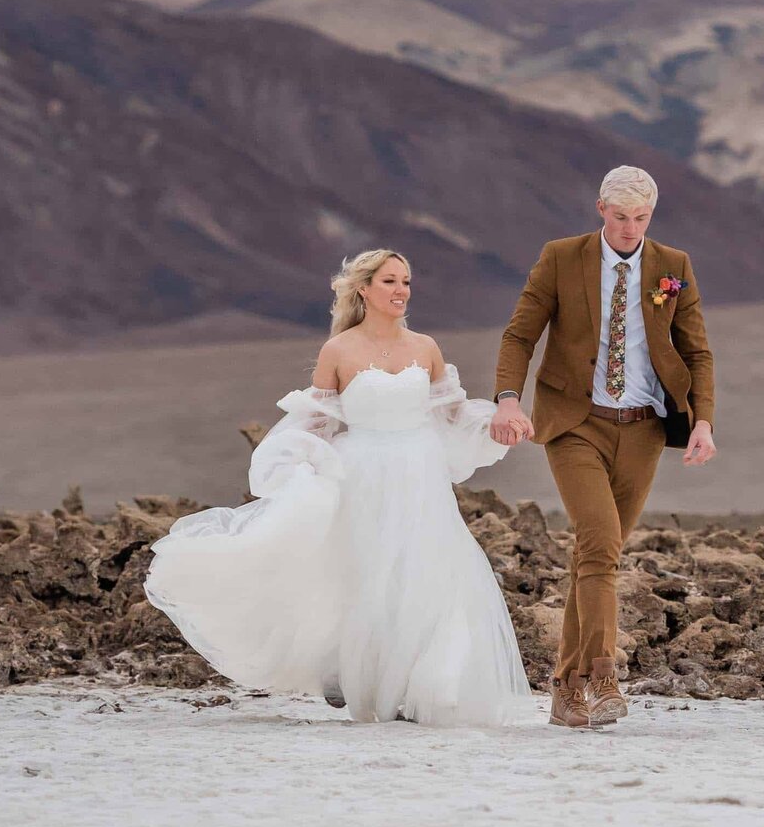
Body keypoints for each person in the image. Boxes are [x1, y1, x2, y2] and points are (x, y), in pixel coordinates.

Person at [144, 248, 533, 726]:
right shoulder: (339, 351)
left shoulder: (425, 347)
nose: (401, 291)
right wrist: (298, 469)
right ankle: (356, 675)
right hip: (362, 473)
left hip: (421, 474)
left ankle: (434, 682)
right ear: (364, 290)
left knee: (431, 571)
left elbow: (450, 414)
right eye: (390, 281)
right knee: (365, 575)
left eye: (406, 282)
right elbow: (316, 422)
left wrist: (498, 420)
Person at [491, 165, 717, 730]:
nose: (629, 229)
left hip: (642, 429)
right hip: (574, 423)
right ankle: (602, 676)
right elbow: (521, 333)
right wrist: (507, 399)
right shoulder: (562, 257)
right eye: (620, 218)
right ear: (600, 210)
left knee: (597, 558)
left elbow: (697, 352)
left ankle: (565, 690)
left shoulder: (673, 267)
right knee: (600, 541)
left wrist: (704, 421)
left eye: (640, 218)